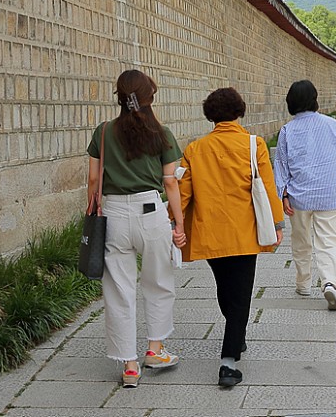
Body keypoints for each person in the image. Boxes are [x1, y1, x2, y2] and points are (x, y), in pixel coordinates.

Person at [177, 87, 284, 388]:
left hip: (209, 232)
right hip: (244, 232)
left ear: (210, 115)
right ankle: (228, 362)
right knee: (241, 294)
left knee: (226, 288)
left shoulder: (195, 149)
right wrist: (277, 224)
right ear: (240, 111)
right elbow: (267, 185)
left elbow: (183, 193)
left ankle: (236, 335)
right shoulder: (254, 144)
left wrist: (174, 223)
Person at [87, 69, 186, 389]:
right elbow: (170, 182)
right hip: (151, 212)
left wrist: (93, 209)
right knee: (158, 281)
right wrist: (179, 222)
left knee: (118, 289)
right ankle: (155, 350)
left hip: (113, 214)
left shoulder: (103, 132)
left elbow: (92, 180)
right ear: (149, 98)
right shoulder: (163, 134)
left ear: (119, 96)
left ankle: (130, 366)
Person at [274, 80, 336, 311]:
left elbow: (281, 166)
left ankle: (303, 283)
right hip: (330, 194)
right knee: (328, 239)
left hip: (299, 196)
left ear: (291, 102)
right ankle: (330, 283)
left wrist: (283, 194)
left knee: (301, 240)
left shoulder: (287, 130)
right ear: (315, 99)